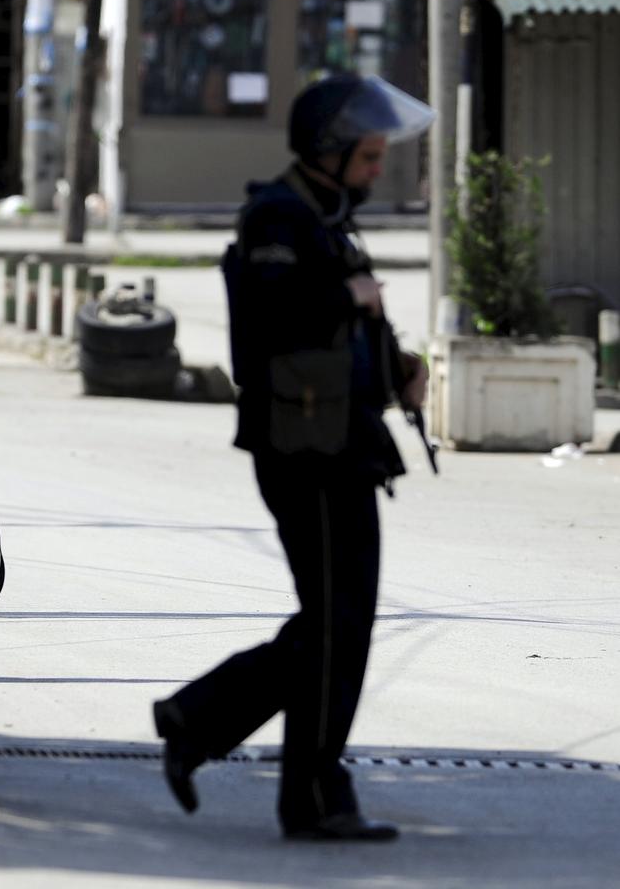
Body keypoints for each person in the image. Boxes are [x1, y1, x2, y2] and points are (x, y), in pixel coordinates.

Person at [152, 74, 434, 842]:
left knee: (338, 622)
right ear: (327, 151)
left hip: (341, 441)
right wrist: (352, 299)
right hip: (303, 448)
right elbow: (274, 319)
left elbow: (340, 327)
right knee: (337, 625)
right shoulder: (278, 216)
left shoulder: (326, 216)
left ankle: (212, 730)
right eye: (368, 157)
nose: (377, 169)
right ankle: (298, 785)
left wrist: (399, 366)